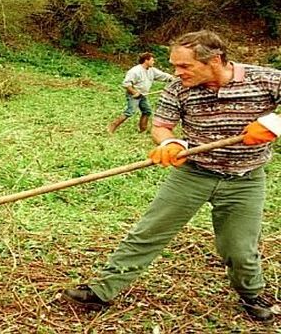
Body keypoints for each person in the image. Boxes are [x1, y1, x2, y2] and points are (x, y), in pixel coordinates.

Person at [63, 30, 280, 322]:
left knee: (240, 248)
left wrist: (273, 123)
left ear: (214, 60)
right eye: (174, 65)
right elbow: (161, 125)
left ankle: (252, 296)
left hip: (245, 179)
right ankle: (101, 291)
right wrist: (170, 143)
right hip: (193, 173)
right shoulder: (179, 88)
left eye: (184, 66)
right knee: (148, 232)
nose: (177, 73)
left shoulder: (265, 79)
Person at [108, 52, 173, 134]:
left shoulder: (151, 70)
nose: (154, 62)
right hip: (133, 95)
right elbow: (126, 84)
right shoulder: (135, 71)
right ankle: (112, 126)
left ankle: (142, 129)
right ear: (146, 60)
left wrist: (172, 78)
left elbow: (163, 76)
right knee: (130, 112)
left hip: (143, 95)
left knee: (147, 111)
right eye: (152, 60)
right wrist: (134, 92)